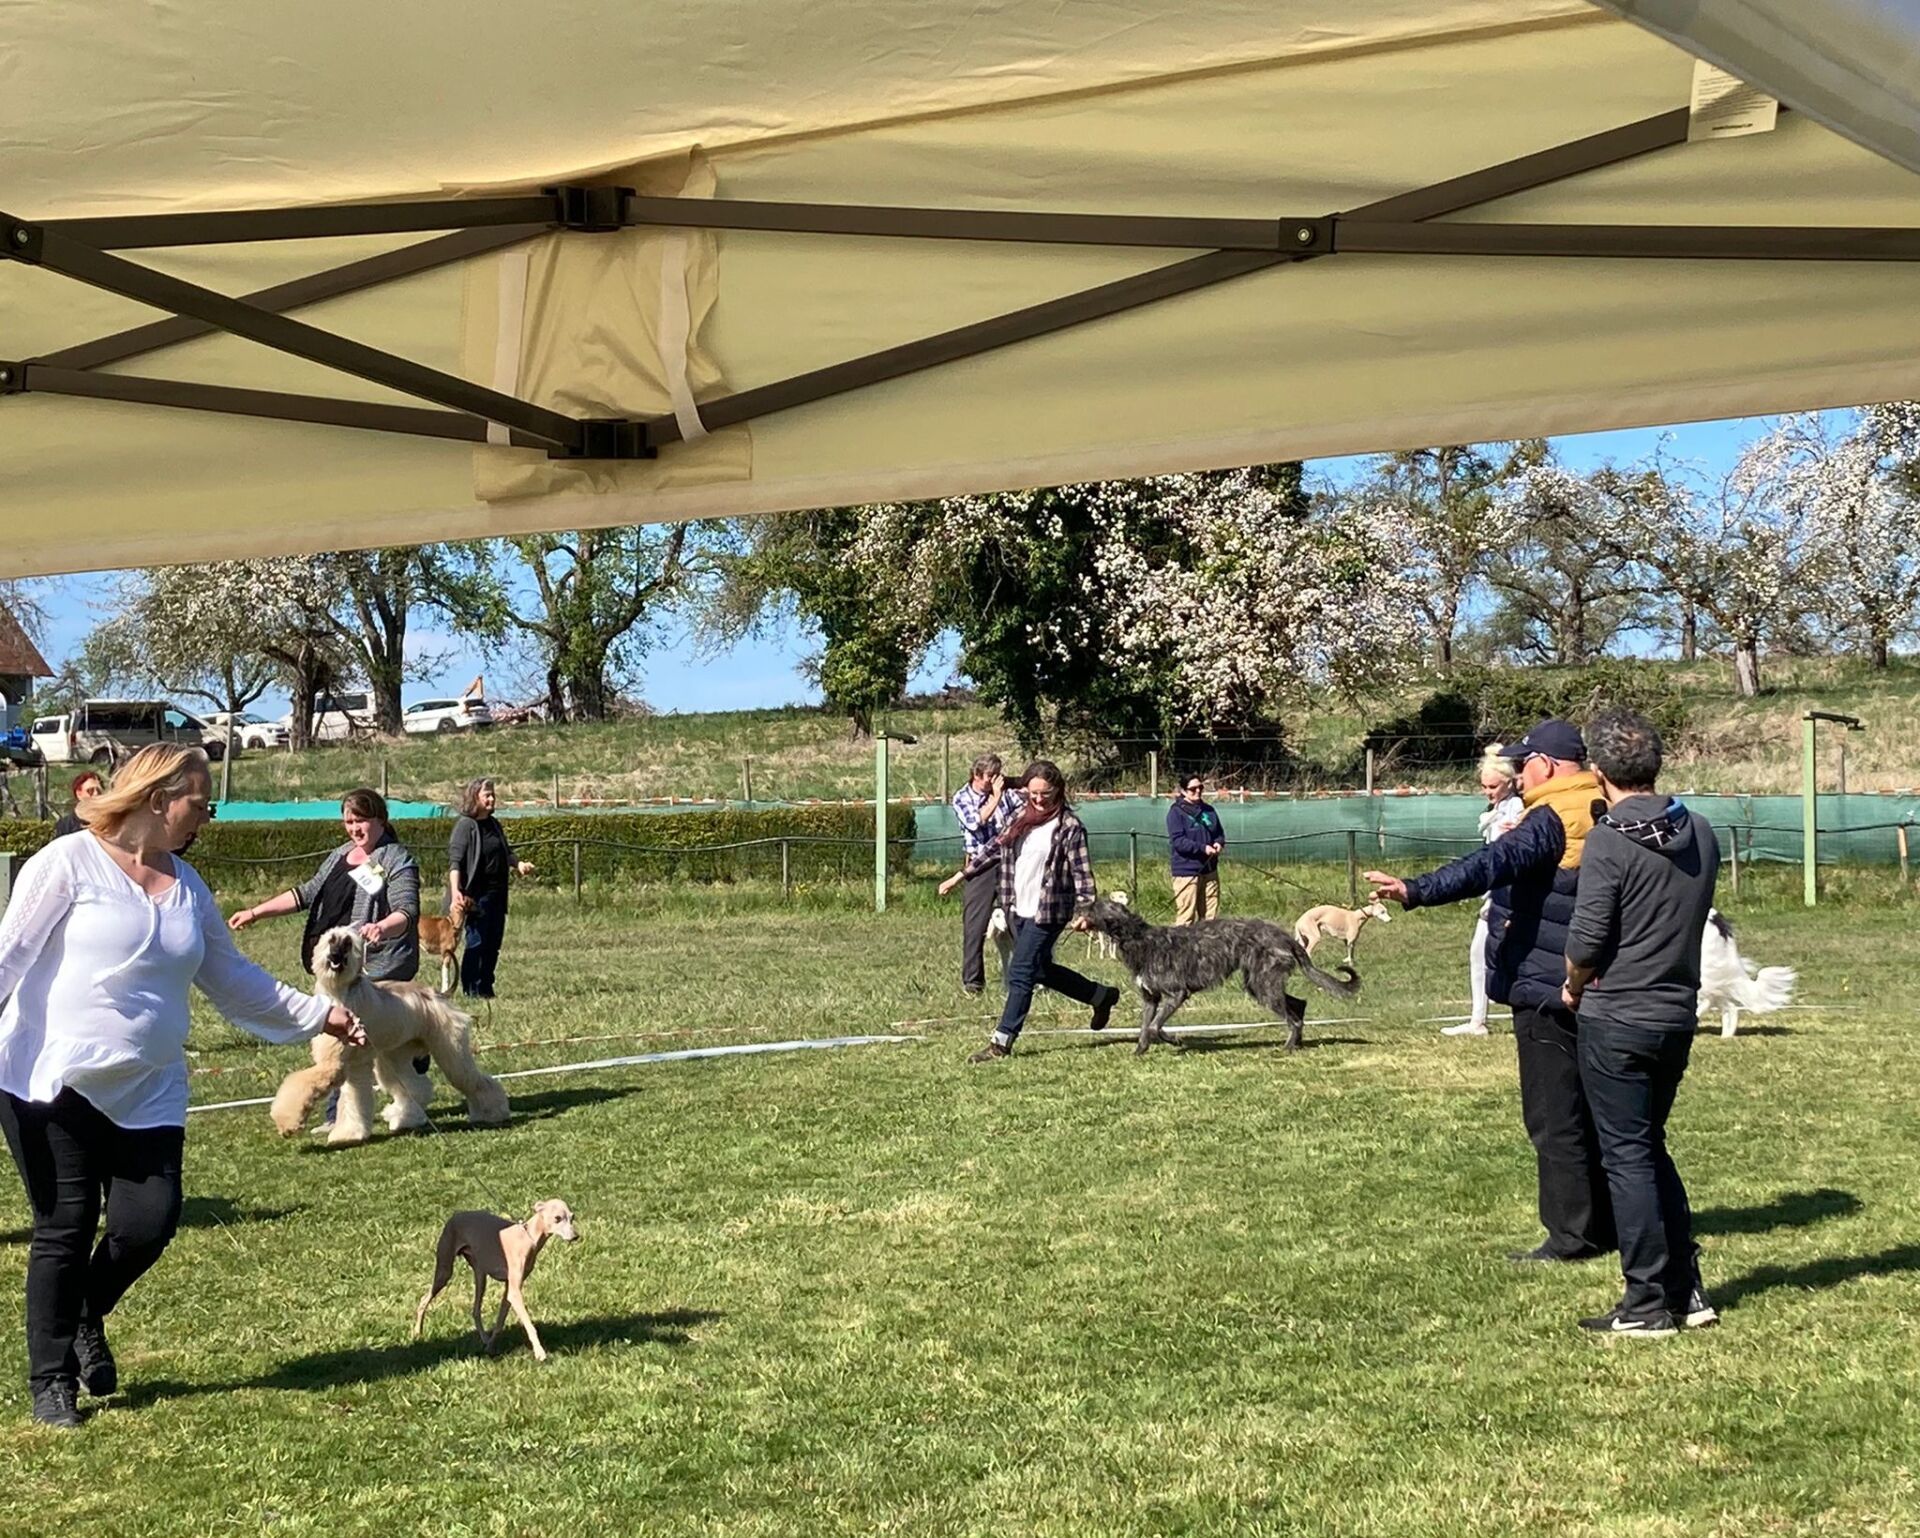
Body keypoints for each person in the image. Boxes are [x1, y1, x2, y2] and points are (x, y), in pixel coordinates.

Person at [0, 744, 363, 1428]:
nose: (207, 816)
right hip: (50, 1080)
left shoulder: (188, 886)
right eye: (202, 803)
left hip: (149, 1088)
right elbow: (7, 957)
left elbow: (232, 979)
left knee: (150, 1221)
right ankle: (51, 1381)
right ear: (159, 798)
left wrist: (322, 1013)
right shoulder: (67, 862)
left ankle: (83, 1314)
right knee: (65, 1228)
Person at [1366, 719, 1615, 1264]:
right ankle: (1609, 1222)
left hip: (1546, 982)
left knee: (1553, 1115)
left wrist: (1417, 889)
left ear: (1546, 766)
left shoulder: (1549, 818)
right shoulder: (1605, 802)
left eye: (1524, 765)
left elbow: (1492, 864)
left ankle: (1571, 1236)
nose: (1518, 775)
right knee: (1599, 1111)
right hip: (1599, 981)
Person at [1563, 711, 1721, 1338]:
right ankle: (1685, 1290)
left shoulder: (1609, 840)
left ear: (1598, 772)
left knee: (1627, 1156)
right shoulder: (1700, 830)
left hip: (1617, 1015)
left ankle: (1648, 1302)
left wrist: (1573, 984)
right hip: (1675, 1013)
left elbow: (1587, 940)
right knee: (1649, 1146)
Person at [228, 788, 424, 1119]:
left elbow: (407, 911)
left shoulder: (396, 859)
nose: (354, 828)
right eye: (349, 821)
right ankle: (363, 1109)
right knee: (350, 1045)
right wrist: (256, 912)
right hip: (336, 967)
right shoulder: (340, 855)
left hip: (377, 966)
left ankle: (340, 1116)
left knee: (344, 1047)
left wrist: (381, 927)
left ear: (381, 819)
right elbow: (306, 893)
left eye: (361, 821)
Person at [968, 761, 1120, 1063]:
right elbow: (996, 846)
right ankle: (1100, 996)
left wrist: (1087, 911)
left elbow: (1083, 874)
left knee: (1021, 971)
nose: (1038, 799)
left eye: (1045, 793)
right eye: (1033, 793)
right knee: (1039, 969)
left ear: (1058, 790)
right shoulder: (1019, 816)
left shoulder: (1069, 826)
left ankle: (1001, 1043)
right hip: (1016, 907)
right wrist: (962, 875)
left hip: (1049, 911)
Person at [1444, 745, 1527, 1037]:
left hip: (1513, 895)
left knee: (1510, 953)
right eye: (1484, 786)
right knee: (1478, 952)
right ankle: (1477, 1021)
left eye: (1493, 787)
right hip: (1495, 893)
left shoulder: (1517, 808)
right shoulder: (1496, 810)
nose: (1488, 792)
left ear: (1509, 783)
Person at [447, 777, 534, 1000]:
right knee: (477, 942)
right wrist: (456, 892)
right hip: (475, 896)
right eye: (487, 795)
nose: (492, 799)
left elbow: (506, 852)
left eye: (493, 794)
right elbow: (455, 863)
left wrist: (518, 864)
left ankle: (486, 987)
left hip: (497, 894)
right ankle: (471, 988)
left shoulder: (494, 825)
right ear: (475, 797)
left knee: (493, 943)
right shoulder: (466, 825)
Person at [949, 754, 1023, 995]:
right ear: (976, 775)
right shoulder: (962, 797)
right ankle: (973, 982)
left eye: (997, 776)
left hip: (1009, 860)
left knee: (1018, 916)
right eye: (990, 776)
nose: (994, 781)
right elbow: (975, 823)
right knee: (975, 923)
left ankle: (1026, 974)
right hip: (980, 865)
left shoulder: (1006, 793)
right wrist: (996, 798)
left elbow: (1023, 809)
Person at [1166, 774, 1225, 924]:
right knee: (1187, 917)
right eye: (1193, 789)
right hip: (1187, 872)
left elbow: (1219, 833)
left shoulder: (1209, 810)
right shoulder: (1176, 813)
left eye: (1200, 787)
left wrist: (1219, 843)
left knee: (1210, 918)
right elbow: (1178, 841)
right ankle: (1181, 940)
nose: (1198, 791)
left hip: (1210, 870)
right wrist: (1203, 848)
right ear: (1183, 791)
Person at [51, 771, 103, 839]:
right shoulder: (66, 825)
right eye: (90, 791)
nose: (96, 794)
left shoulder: (110, 820)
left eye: (99, 790)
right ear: (79, 794)